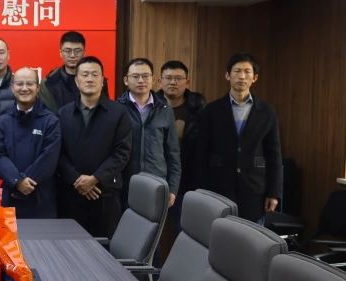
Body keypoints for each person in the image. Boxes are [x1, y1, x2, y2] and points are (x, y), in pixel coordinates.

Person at [191, 52, 283, 223]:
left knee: (251, 237)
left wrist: (274, 192)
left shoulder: (267, 112)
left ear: (255, 78)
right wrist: (201, 189)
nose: (242, 76)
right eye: (237, 71)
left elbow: (274, 155)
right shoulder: (211, 110)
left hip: (254, 190)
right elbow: (202, 153)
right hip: (218, 188)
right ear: (228, 75)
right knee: (219, 234)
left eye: (247, 72)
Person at [56, 56, 131, 238]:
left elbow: (122, 152)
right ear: (76, 81)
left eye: (94, 75)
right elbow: (58, 153)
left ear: (102, 80)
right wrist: (77, 180)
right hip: (71, 195)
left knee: (105, 248)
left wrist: (95, 178)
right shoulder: (63, 113)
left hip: (105, 195)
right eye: (85, 75)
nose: (89, 79)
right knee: (70, 248)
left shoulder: (118, 113)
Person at [0, 67, 61, 217]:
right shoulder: (2, 121)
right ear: (12, 87)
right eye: (20, 84)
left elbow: (49, 157)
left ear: (38, 88)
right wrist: (17, 181)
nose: (24, 88)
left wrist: (26, 182)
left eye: (29, 84)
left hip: (41, 196)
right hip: (11, 194)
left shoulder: (50, 121)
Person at [119, 58, 181, 207]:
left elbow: (173, 153)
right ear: (126, 80)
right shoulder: (117, 109)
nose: (141, 80)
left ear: (153, 79)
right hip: (125, 185)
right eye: (135, 76)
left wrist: (173, 188)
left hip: (157, 184)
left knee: (154, 222)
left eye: (145, 76)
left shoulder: (165, 110)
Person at [158, 59, 206, 209]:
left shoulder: (198, 107)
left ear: (187, 82)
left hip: (189, 178)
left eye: (178, 78)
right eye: (168, 78)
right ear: (160, 81)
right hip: (158, 175)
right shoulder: (151, 106)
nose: (173, 82)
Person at [44, 31, 110, 109]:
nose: (72, 55)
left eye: (77, 51)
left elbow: (105, 109)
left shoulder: (97, 80)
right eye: (68, 51)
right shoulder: (50, 82)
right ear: (61, 53)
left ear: (84, 52)